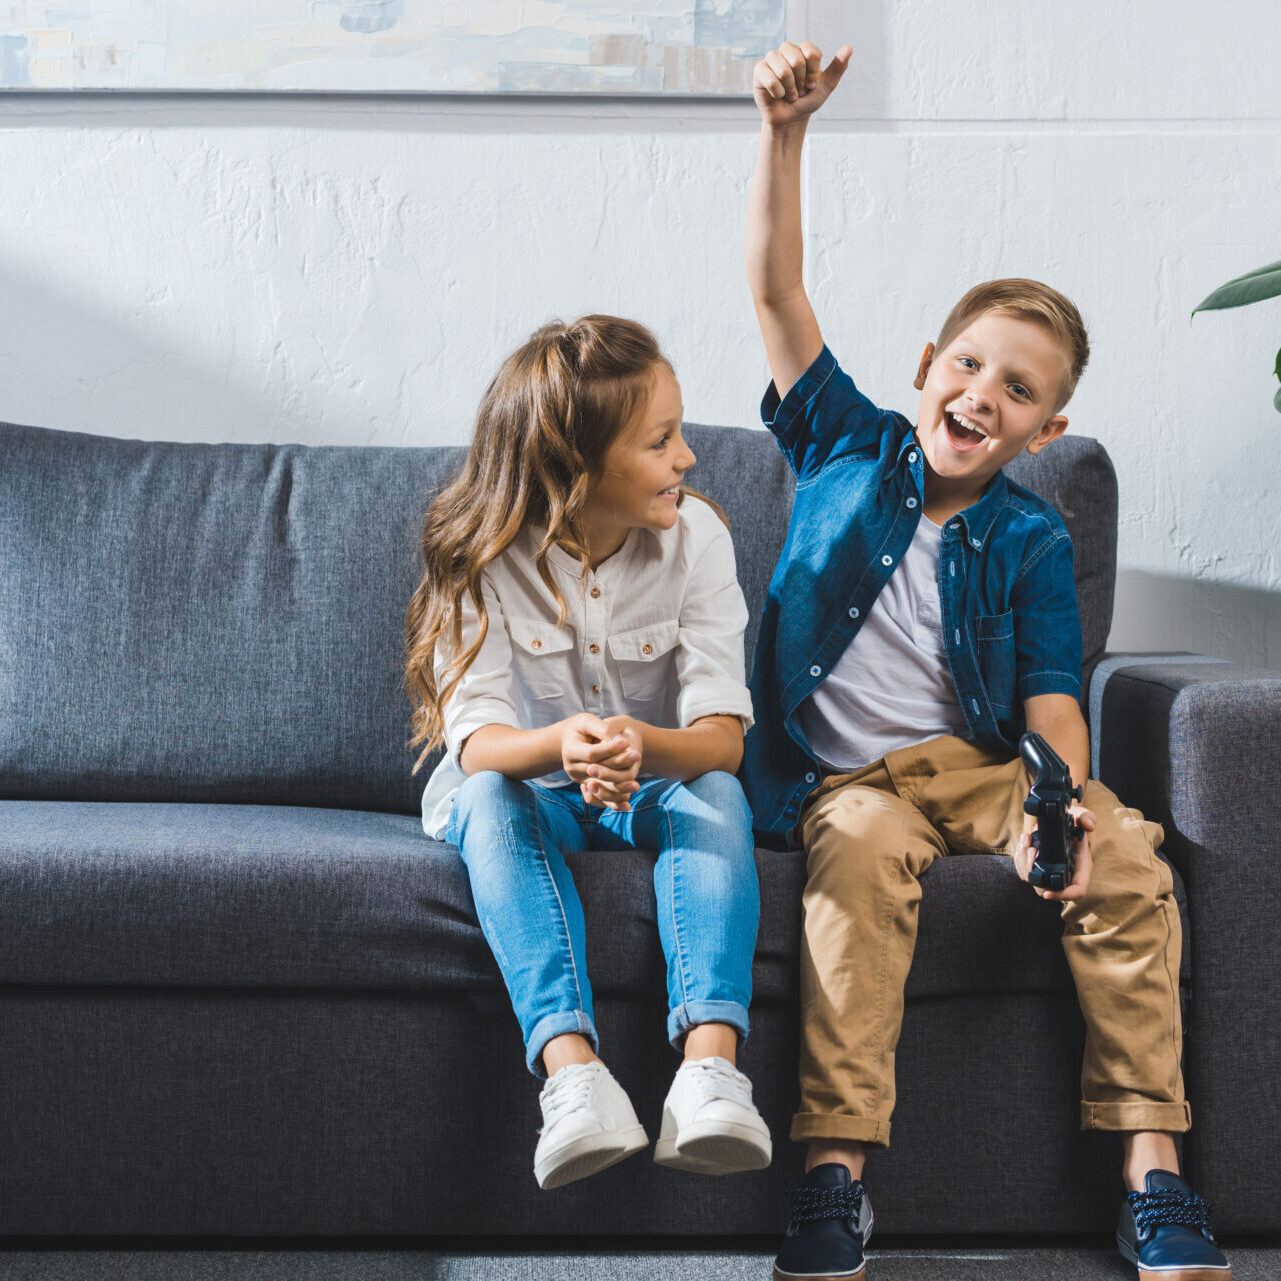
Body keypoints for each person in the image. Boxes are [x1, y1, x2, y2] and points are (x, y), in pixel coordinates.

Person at [744, 40, 1231, 1281]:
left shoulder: (1030, 533)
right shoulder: (845, 444)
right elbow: (777, 296)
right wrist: (785, 135)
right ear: (925, 367)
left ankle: (1155, 1174)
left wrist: (1059, 803)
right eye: (968, 366)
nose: (981, 396)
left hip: (976, 766)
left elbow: (1054, 698)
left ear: (1046, 429)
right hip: (851, 785)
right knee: (851, 867)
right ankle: (833, 1176)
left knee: (1126, 850)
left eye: (1017, 392)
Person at [404, 315, 771, 1191]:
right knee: (486, 795)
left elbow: (721, 735)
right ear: (575, 465)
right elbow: (479, 739)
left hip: (656, 775)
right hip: (527, 779)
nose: (687, 457)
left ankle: (710, 1071)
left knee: (718, 791)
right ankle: (574, 1077)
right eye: (660, 441)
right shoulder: (477, 553)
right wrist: (562, 744)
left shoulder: (699, 540)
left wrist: (640, 746)